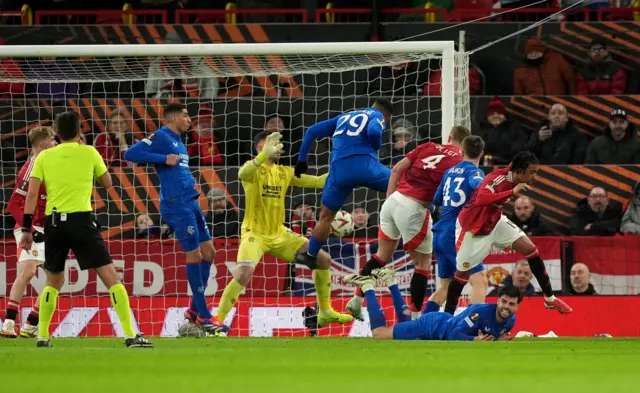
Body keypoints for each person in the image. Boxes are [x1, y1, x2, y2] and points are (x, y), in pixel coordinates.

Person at [18, 111, 152, 348]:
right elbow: (108, 182)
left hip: (54, 223)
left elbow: (31, 194)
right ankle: (131, 335)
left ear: (57, 134)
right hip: (82, 221)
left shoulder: (44, 157)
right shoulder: (89, 152)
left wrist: (27, 228)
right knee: (110, 277)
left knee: (53, 279)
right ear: (80, 132)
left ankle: (42, 336)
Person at [215, 131, 353, 328]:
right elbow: (242, 173)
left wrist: (344, 171)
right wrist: (262, 157)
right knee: (244, 271)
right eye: (273, 144)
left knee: (323, 259)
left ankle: (325, 311)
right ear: (260, 147)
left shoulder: (285, 172)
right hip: (255, 234)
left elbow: (317, 181)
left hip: (279, 234)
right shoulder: (253, 171)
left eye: (279, 144)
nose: (279, 147)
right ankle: (217, 321)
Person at [345, 126, 471, 321]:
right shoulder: (459, 162)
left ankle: (355, 300)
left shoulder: (427, 146)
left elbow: (395, 169)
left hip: (392, 201)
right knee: (422, 265)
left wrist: (388, 199)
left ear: (449, 137)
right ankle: (414, 319)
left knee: (381, 256)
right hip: (414, 207)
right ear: (466, 145)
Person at [124, 103, 219, 334]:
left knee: (210, 252)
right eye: (186, 116)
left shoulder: (179, 142)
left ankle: (194, 311)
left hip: (191, 202)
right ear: (174, 118)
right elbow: (130, 153)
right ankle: (204, 316)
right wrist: (163, 158)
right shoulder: (163, 136)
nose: (189, 120)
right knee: (194, 255)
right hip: (176, 205)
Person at [444, 151, 572, 316]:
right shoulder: (497, 178)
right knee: (461, 276)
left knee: (531, 250)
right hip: (473, 227)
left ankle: (550, 298)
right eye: (531, 172)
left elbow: (514, 162)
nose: (534, 177)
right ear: (519, 172)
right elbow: (481, 199)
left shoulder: (515, 173)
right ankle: (446, 318)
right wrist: (512, 192)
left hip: (495, 222)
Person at [293, 99, 394, 269]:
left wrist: (302, 160)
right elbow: (375, 131)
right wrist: (376, 146)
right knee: (403, 187)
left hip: (339, 171)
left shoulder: (343, 117)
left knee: (325, 216)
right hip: (366, 166)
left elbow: (311, 131)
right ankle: (431, 213)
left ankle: (310, 255)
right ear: (387, 116)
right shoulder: (377, 115)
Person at [344, 267, 519, 341]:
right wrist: (475, 340)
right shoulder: (479, 312)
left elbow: (487, 338)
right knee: (379, 334)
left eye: (511, 304)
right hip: (432, 326)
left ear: (517, 307)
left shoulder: (510, 321)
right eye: (504, 301)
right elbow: (454, 334)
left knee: (405, 324)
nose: (506, 307)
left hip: (441, 320)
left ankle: (391, 281)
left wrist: (496, 340)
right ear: (497, 300)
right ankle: (367, 286)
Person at [2, 127, 56, 338]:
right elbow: (14, 203)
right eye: (52, 140)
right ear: (43, 143)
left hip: (47, 226)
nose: (55, 143)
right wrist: (29, 229)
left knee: (55, 279)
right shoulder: (31, 167)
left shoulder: (49, 164)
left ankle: (31, 324)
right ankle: (8, 323)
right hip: (29, 227)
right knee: (28, 272)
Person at [427, 135, 488, 313]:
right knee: (480, 281)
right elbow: (477, 184)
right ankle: (473, 326)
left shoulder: (449, 172)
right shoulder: (475, 172)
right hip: (457, 235)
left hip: (440, 232)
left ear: (461, 151)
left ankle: (424, 324)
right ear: (482, 154)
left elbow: (437, 199)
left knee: (445, 287)